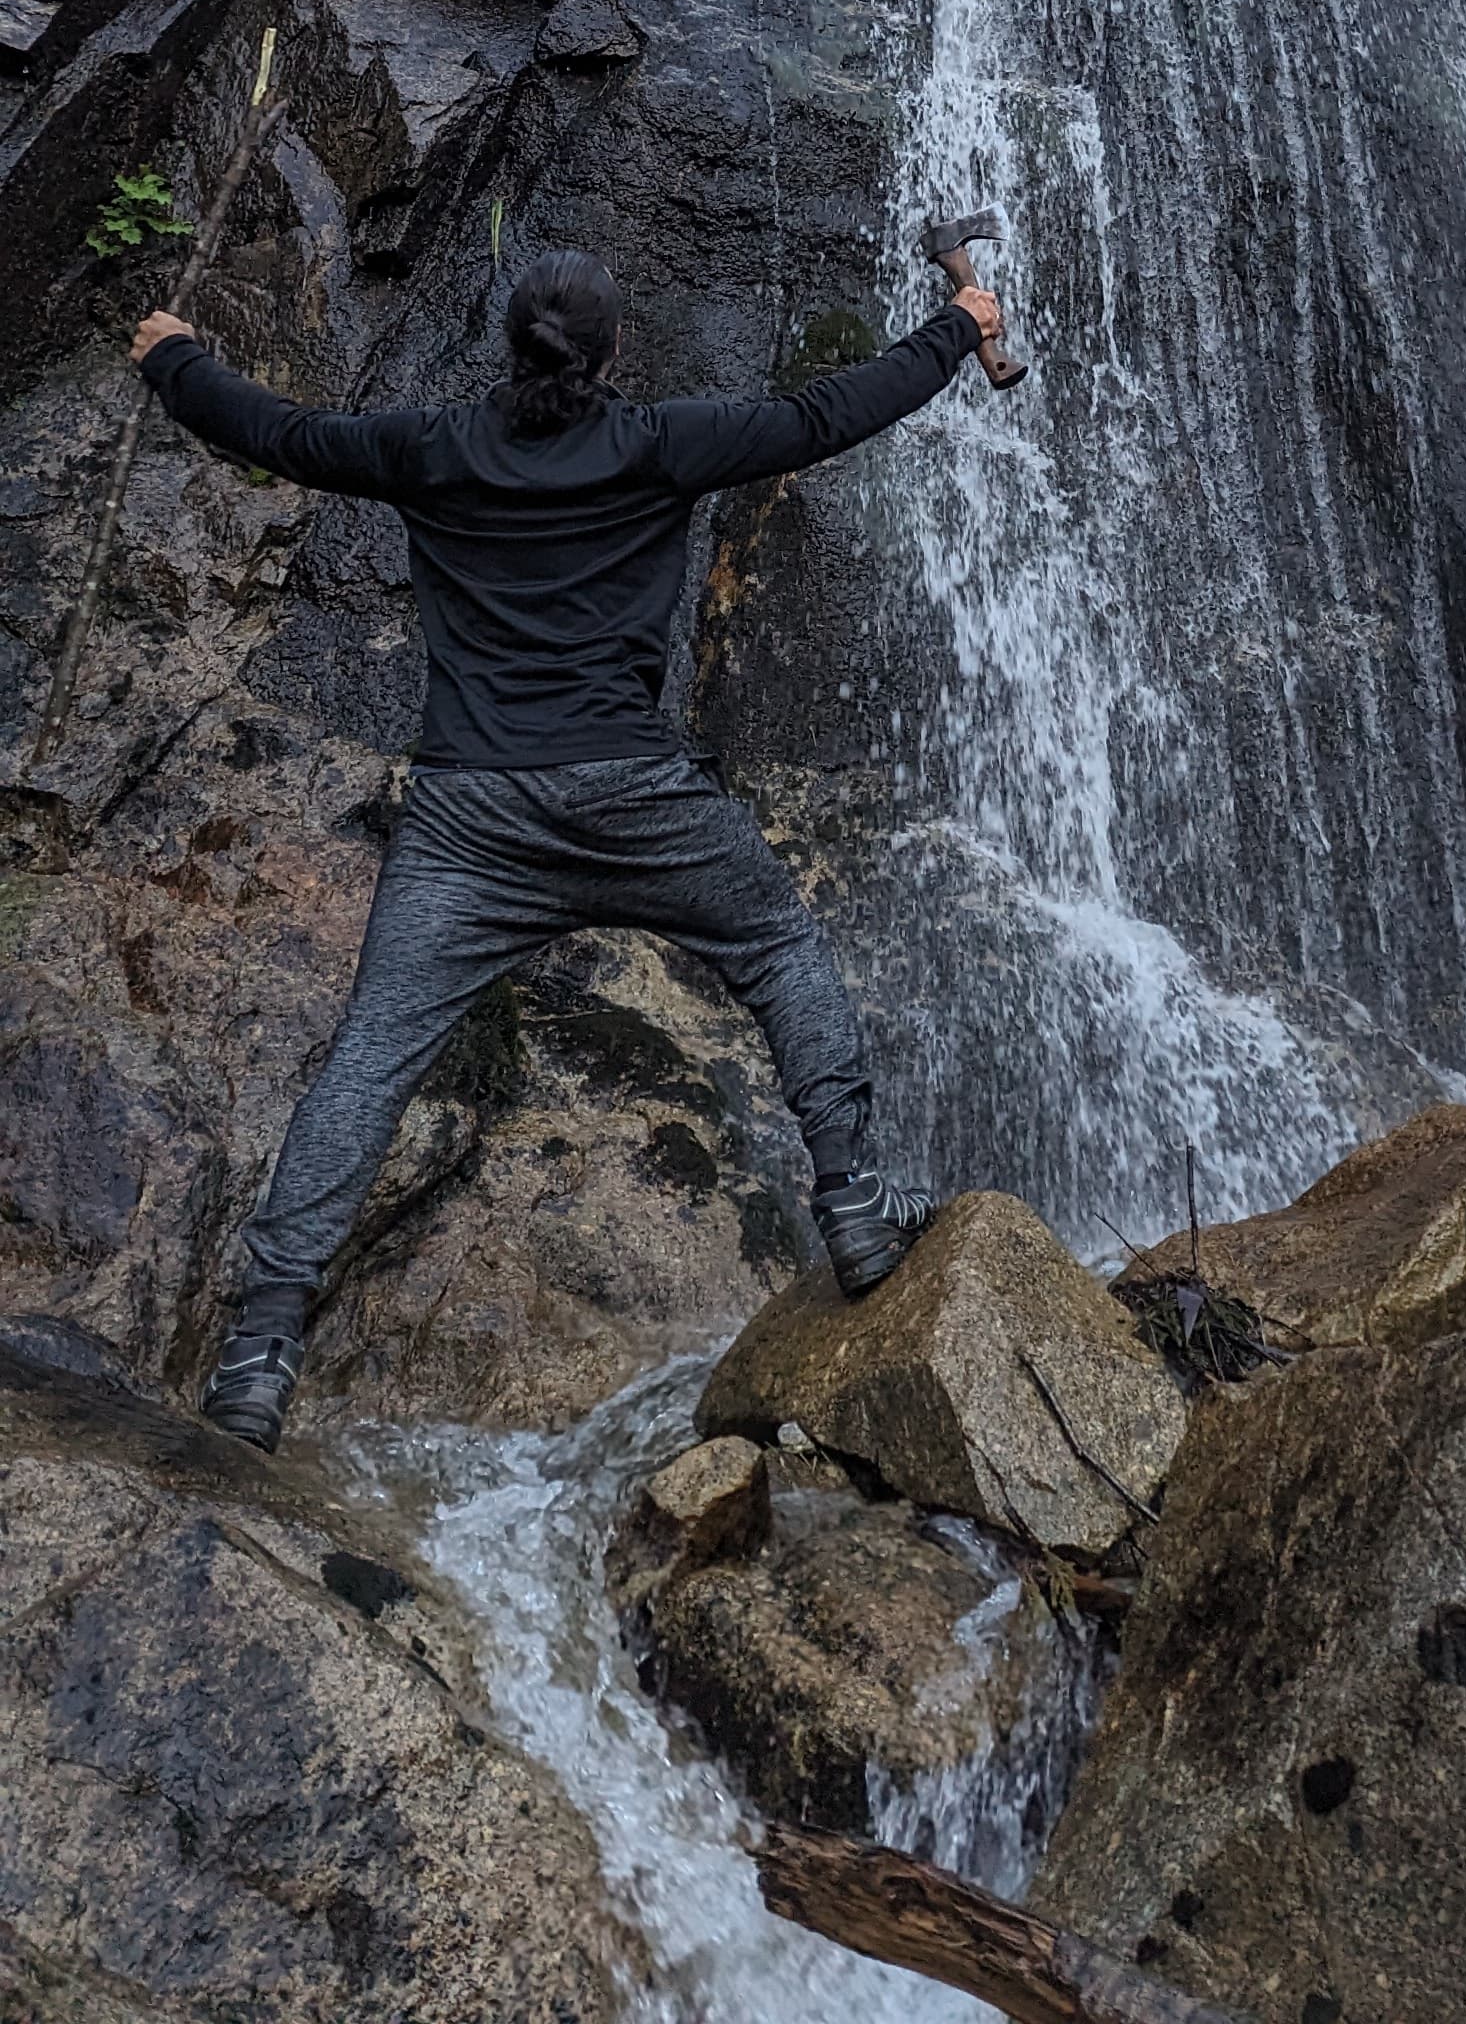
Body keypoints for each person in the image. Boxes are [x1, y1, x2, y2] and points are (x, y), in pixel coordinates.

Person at [132, 248, 1000, 1452]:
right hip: (638, 798)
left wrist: (171, 356)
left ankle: (260, 1353)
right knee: (778, 946)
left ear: (509, 347)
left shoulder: (430, 447)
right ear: (610, 353)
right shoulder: (657, 441)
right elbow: (823, 414)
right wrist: (961, 323)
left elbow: (279, 430)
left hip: (473, 816)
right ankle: (854, 1200)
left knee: (373, 1059)